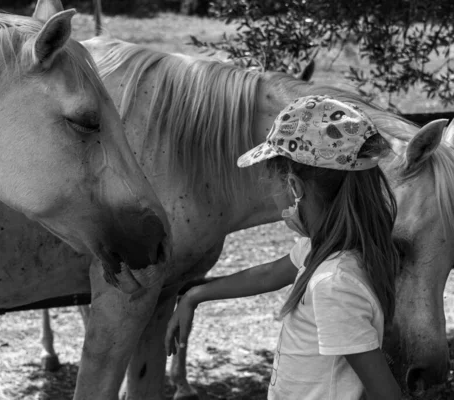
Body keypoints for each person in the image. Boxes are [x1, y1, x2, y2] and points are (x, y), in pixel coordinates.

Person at [164, 95, 402, 400]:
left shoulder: (334, 284)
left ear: (295, 188)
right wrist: (194, 296)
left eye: (275, 185)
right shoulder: (323, 252)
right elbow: (268, 275)